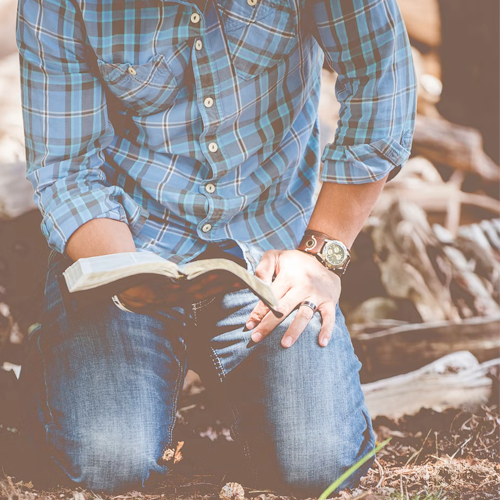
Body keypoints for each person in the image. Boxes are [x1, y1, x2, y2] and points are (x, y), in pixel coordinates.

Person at [17, 0, 416, 495]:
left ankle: (250, 418)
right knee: (109, 462)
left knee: (319, 465)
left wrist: (320, 255)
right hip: (125, 245)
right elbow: (66, 167)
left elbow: (383, 77)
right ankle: (53, 362)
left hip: (270, 253)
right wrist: (124, 270)